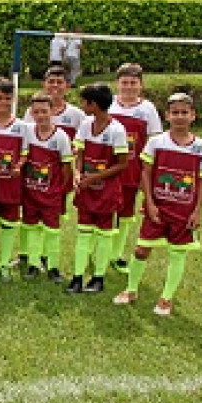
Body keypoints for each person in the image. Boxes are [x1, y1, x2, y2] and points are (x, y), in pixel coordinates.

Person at [114, 93, 202, 316]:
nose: (179, 117)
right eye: (175, 112)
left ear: (192, 116)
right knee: (141, 249)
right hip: (157, 207)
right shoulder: (156, 142)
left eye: (184, 112)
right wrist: (149, 202)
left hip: (183, 211)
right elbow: (146, 173)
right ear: (167, 115)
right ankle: (131, 290)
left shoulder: (200, 147)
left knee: (177, 254)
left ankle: (166, 299)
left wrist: (197, 211)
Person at [67, 83, 129, 294]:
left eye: (84, 102)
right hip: (87, 190)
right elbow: (80, 153)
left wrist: (95, 177)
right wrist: (77, 174)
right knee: (83, 233)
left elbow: (122, 164)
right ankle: (77, 277)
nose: (82, 105)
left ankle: (98, 278)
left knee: (104, 235)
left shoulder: (117, 130)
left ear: (93, 104)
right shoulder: (86, 124)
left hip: (106, 192)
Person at [108, 63, 163, 273]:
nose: (129, 87)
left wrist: (147, 173)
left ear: (141, 85)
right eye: (124, 82)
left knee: (124, 213)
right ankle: (98, 252)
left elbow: (154, 142)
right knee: (102, 210)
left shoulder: (147, 109)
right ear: (117, 83)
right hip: (107, 169)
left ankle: (116, 254)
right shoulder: (108, 104)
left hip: (132, 171)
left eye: (133, 83)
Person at [0, 78, 30, 282]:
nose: (2, 102)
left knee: (9, 223)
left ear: (13, 99)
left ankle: (4, 264)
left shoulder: (22, 126)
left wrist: (19, 166)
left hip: (10, 185)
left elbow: (25, 153)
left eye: (7, 98)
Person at [21, 93, 73, 283]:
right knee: (32, 229)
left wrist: (61, 191)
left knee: (53, 231)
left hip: (51, 194)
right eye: (36, 112)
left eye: (44, 111)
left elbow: (66, 166)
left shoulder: (61, 137)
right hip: (31, 191)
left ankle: (53, 266)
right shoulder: (27, 131)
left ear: (52, 112)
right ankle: (34, 264)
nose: (41, 115)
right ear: (31, 113)